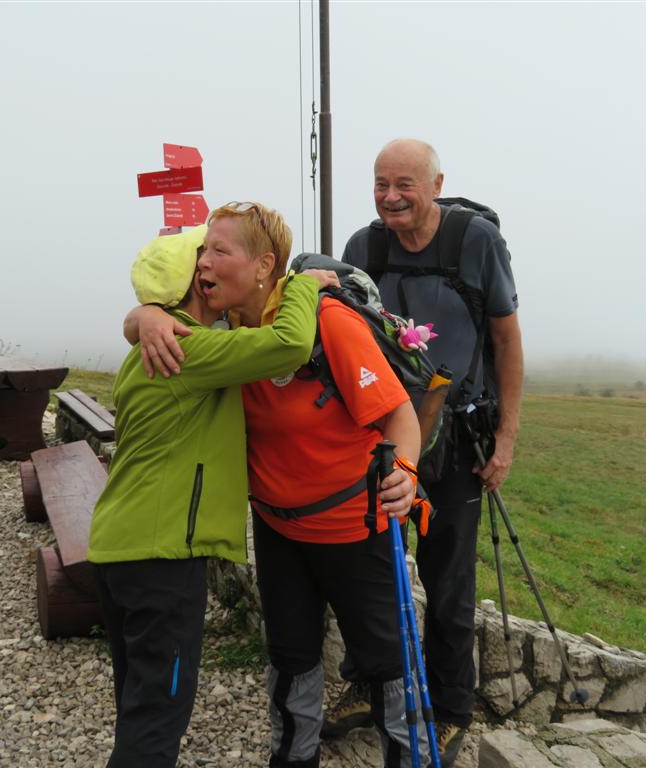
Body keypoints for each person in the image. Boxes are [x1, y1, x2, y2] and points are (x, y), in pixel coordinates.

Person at [130, 201, 429, 768]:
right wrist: (144, 315)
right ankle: (293, 759)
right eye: (202, 250)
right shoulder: (222, 327)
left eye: (220, 251)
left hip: (353, 526)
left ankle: (408, 757)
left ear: (265, 264)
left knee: (387, 660)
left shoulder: (326, 322)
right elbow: (152, 326)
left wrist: (407, 473)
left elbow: (400, 416)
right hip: (277, 527)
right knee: (289, 658)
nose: (203, 263)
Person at [90, 223, 337, 768]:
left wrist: (142, 316)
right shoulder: (187, 349)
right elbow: (289, 344)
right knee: (157, 722)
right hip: (162, 558)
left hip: (119, 550)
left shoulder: (153, 343)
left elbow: (140, 321)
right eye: (203, 261)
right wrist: (301, 284)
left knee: (139, 708)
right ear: (190, 287)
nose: (211, 270)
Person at [327, 138, 524, 767]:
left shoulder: (475, 243)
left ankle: (449, 710)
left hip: (460, 439)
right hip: (382, 435)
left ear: (436, 183)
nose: (390, 197)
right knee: (372, 571)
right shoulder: (364, 249)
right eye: (381, 183)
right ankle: (371, 684)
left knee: (448, 579)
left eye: (404, 184)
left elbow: (506, 338)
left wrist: (507, 440)